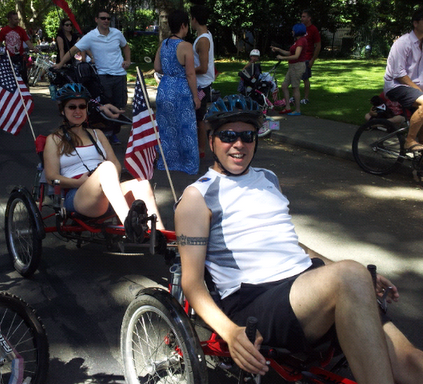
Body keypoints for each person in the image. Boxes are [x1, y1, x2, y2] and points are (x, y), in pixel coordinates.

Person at [175, 94, 423, 384]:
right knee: (350, 273)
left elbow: (293, 245)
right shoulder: (197, 197)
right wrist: (231, 332)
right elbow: (191, 282)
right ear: (213, 139)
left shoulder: (268, 178)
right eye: (229, 135)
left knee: (412, 361)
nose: (239, 144)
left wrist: (345, 273)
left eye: (248, 135)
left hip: (308, 285)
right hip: (255, 297)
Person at [43, 83, 165, 241]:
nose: (77, 111)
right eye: (72, 107)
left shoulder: (97, 134)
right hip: (78, 194)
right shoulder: (54, 139)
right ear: (62, 110)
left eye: (82, 106)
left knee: (142, 183)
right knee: (106, 167)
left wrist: (106, 176)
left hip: (107, 186)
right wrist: (79, 182)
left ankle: (161, 236)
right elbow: (51, 177)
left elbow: (116, 164)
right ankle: (129, 224)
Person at [54, 9, 131, 145]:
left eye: (107, 18)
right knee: (106, 106)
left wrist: (128, 60)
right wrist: (60, 64)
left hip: (119, 75)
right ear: (97, 20)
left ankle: (114, 133)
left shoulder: (117, 33)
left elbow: (126, 46)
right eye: (102, 18)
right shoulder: (90, 36)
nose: (106, 21)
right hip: (103, 76)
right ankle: (106, 132)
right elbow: (73, 51)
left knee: (119, 106)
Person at [154, 10, 200, 175]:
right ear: (183, 25)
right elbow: (190, 74)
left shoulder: (164, 44)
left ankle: (167, 162)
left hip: (165, 88)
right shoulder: (186, 46)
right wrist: (196, 96)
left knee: (166, 128)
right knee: (185, 127)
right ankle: (187, 163)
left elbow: (157, 67)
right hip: (180, 90)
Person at [384, 8, 423, 152]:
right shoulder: (403, 43)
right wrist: (417, 89)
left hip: (414, 88)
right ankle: (409, 140)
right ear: (415, 23)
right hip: (396, 86)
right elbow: (399, 74)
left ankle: (417, 170)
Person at [190, 4, 215, 158]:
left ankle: (201, 150)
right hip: (201, 84)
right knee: (197, 117)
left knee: (199, 118)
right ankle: (201, 148)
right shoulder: (205, 35)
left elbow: (204, 67)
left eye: (191, 18)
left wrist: (187, 70)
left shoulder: (203, 40)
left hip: (202, 86)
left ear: (194, 19)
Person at [0, 11, 40, 85]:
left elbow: (28, 42)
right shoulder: (3, 31)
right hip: (9, 59)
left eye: (18, 19)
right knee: (10, 81)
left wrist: (34, 48)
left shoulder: (21, 30)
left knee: (24, 81)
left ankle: (26, 95)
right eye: (15, 19)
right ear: (9, 19)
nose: (17, 21)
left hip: (20, 58)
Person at [271, 23, 307, 116]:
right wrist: (278, 49)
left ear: (297, 31)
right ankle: (287, 107)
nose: (292, 32)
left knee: (295, 88)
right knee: (284, 86)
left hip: (297, 66)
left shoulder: (301, 41)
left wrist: (282, 58)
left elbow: (296, 56)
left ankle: (297, 110)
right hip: (292, 66)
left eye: (293, 30)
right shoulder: (297, 41)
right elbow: (289, 53)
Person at [300, 9, 321, 105]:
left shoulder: (313, 29)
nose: (302, 18)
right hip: (298, 56)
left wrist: (313, 59)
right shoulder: (301, 28)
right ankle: (296, 96)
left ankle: (306, 98)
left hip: (307, 57)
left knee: (305, 78)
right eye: (302, 16)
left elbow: (318, 45)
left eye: (304, 17)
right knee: (295, 77)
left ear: (309, 18)